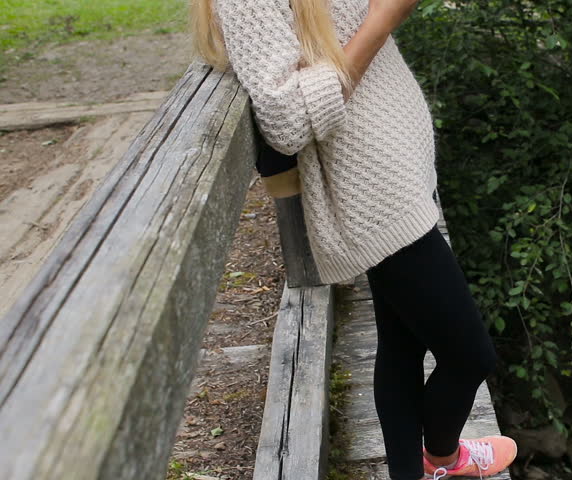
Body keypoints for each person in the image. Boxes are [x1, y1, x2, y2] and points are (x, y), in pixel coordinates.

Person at [189, 0, 517, 478]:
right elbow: (286, 122)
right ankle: (443, 456)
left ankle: (415, 470)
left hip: (397, 169)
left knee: (402, 346)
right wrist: (383, 20)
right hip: (373, 191)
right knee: (469, 356)